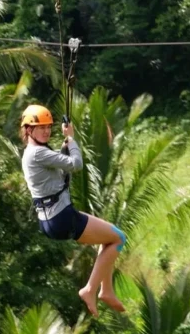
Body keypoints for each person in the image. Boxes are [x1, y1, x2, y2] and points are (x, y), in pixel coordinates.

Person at [20, 104, 126, 317]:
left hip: (51, 220)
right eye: (40, 127)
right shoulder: (38, 153)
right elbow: (76, 164)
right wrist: (72, 139)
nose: (46, 131)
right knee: (119, 238)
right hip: (61, 217)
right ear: (28, 130)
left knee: (108, 236)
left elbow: (57, 170)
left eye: (48, 127)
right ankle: (90, 290)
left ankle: (106, 291)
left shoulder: (33, 153)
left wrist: (63, 148)